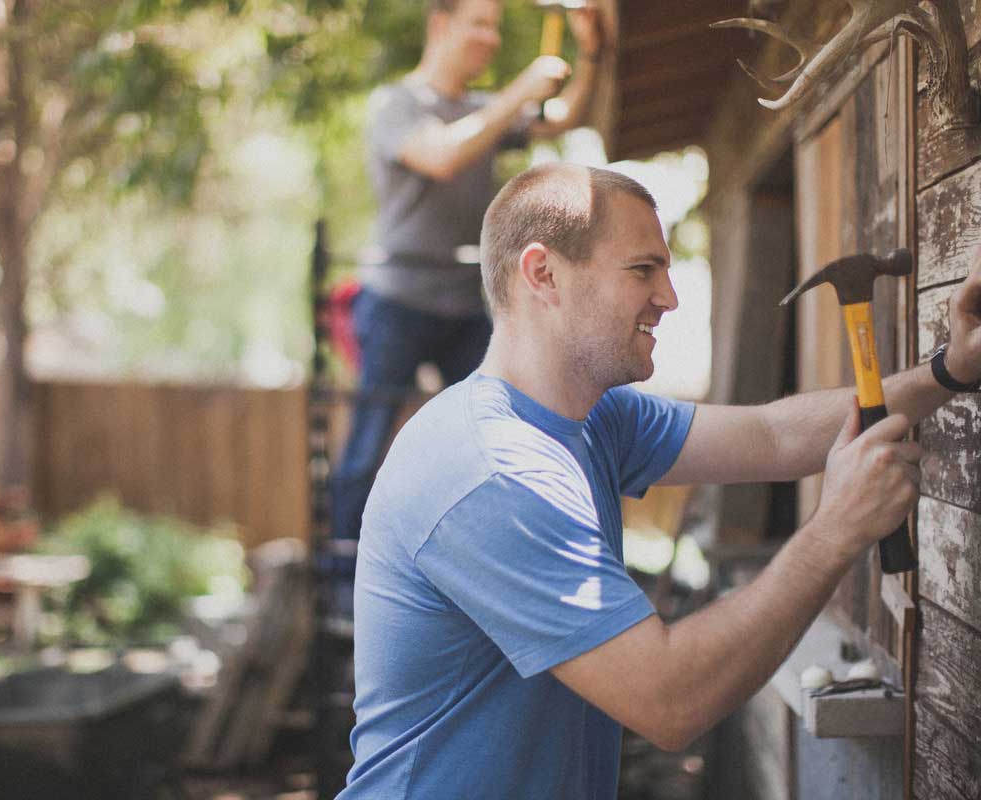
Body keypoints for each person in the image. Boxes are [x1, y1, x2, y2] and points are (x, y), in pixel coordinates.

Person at [339, 163, 981, 799]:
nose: (669, 296)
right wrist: (837, 528)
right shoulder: (493, 473)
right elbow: (671, 699)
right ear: (544, 274)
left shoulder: (594, 417)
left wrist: (948, 371)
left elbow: (774, 436)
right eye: (642, 270)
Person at [329, 0, 606, 554]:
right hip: (397, 303)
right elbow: (442, 156)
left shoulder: (486, 110)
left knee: (504, 433)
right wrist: (523, 90)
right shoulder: (397, 104)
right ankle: (342, 584)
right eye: (479, 24)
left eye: (496, 28)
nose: (492, 39)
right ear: (440, 25)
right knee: (367, 448)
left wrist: (592, 49)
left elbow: (568, 116)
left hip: (465, 308)